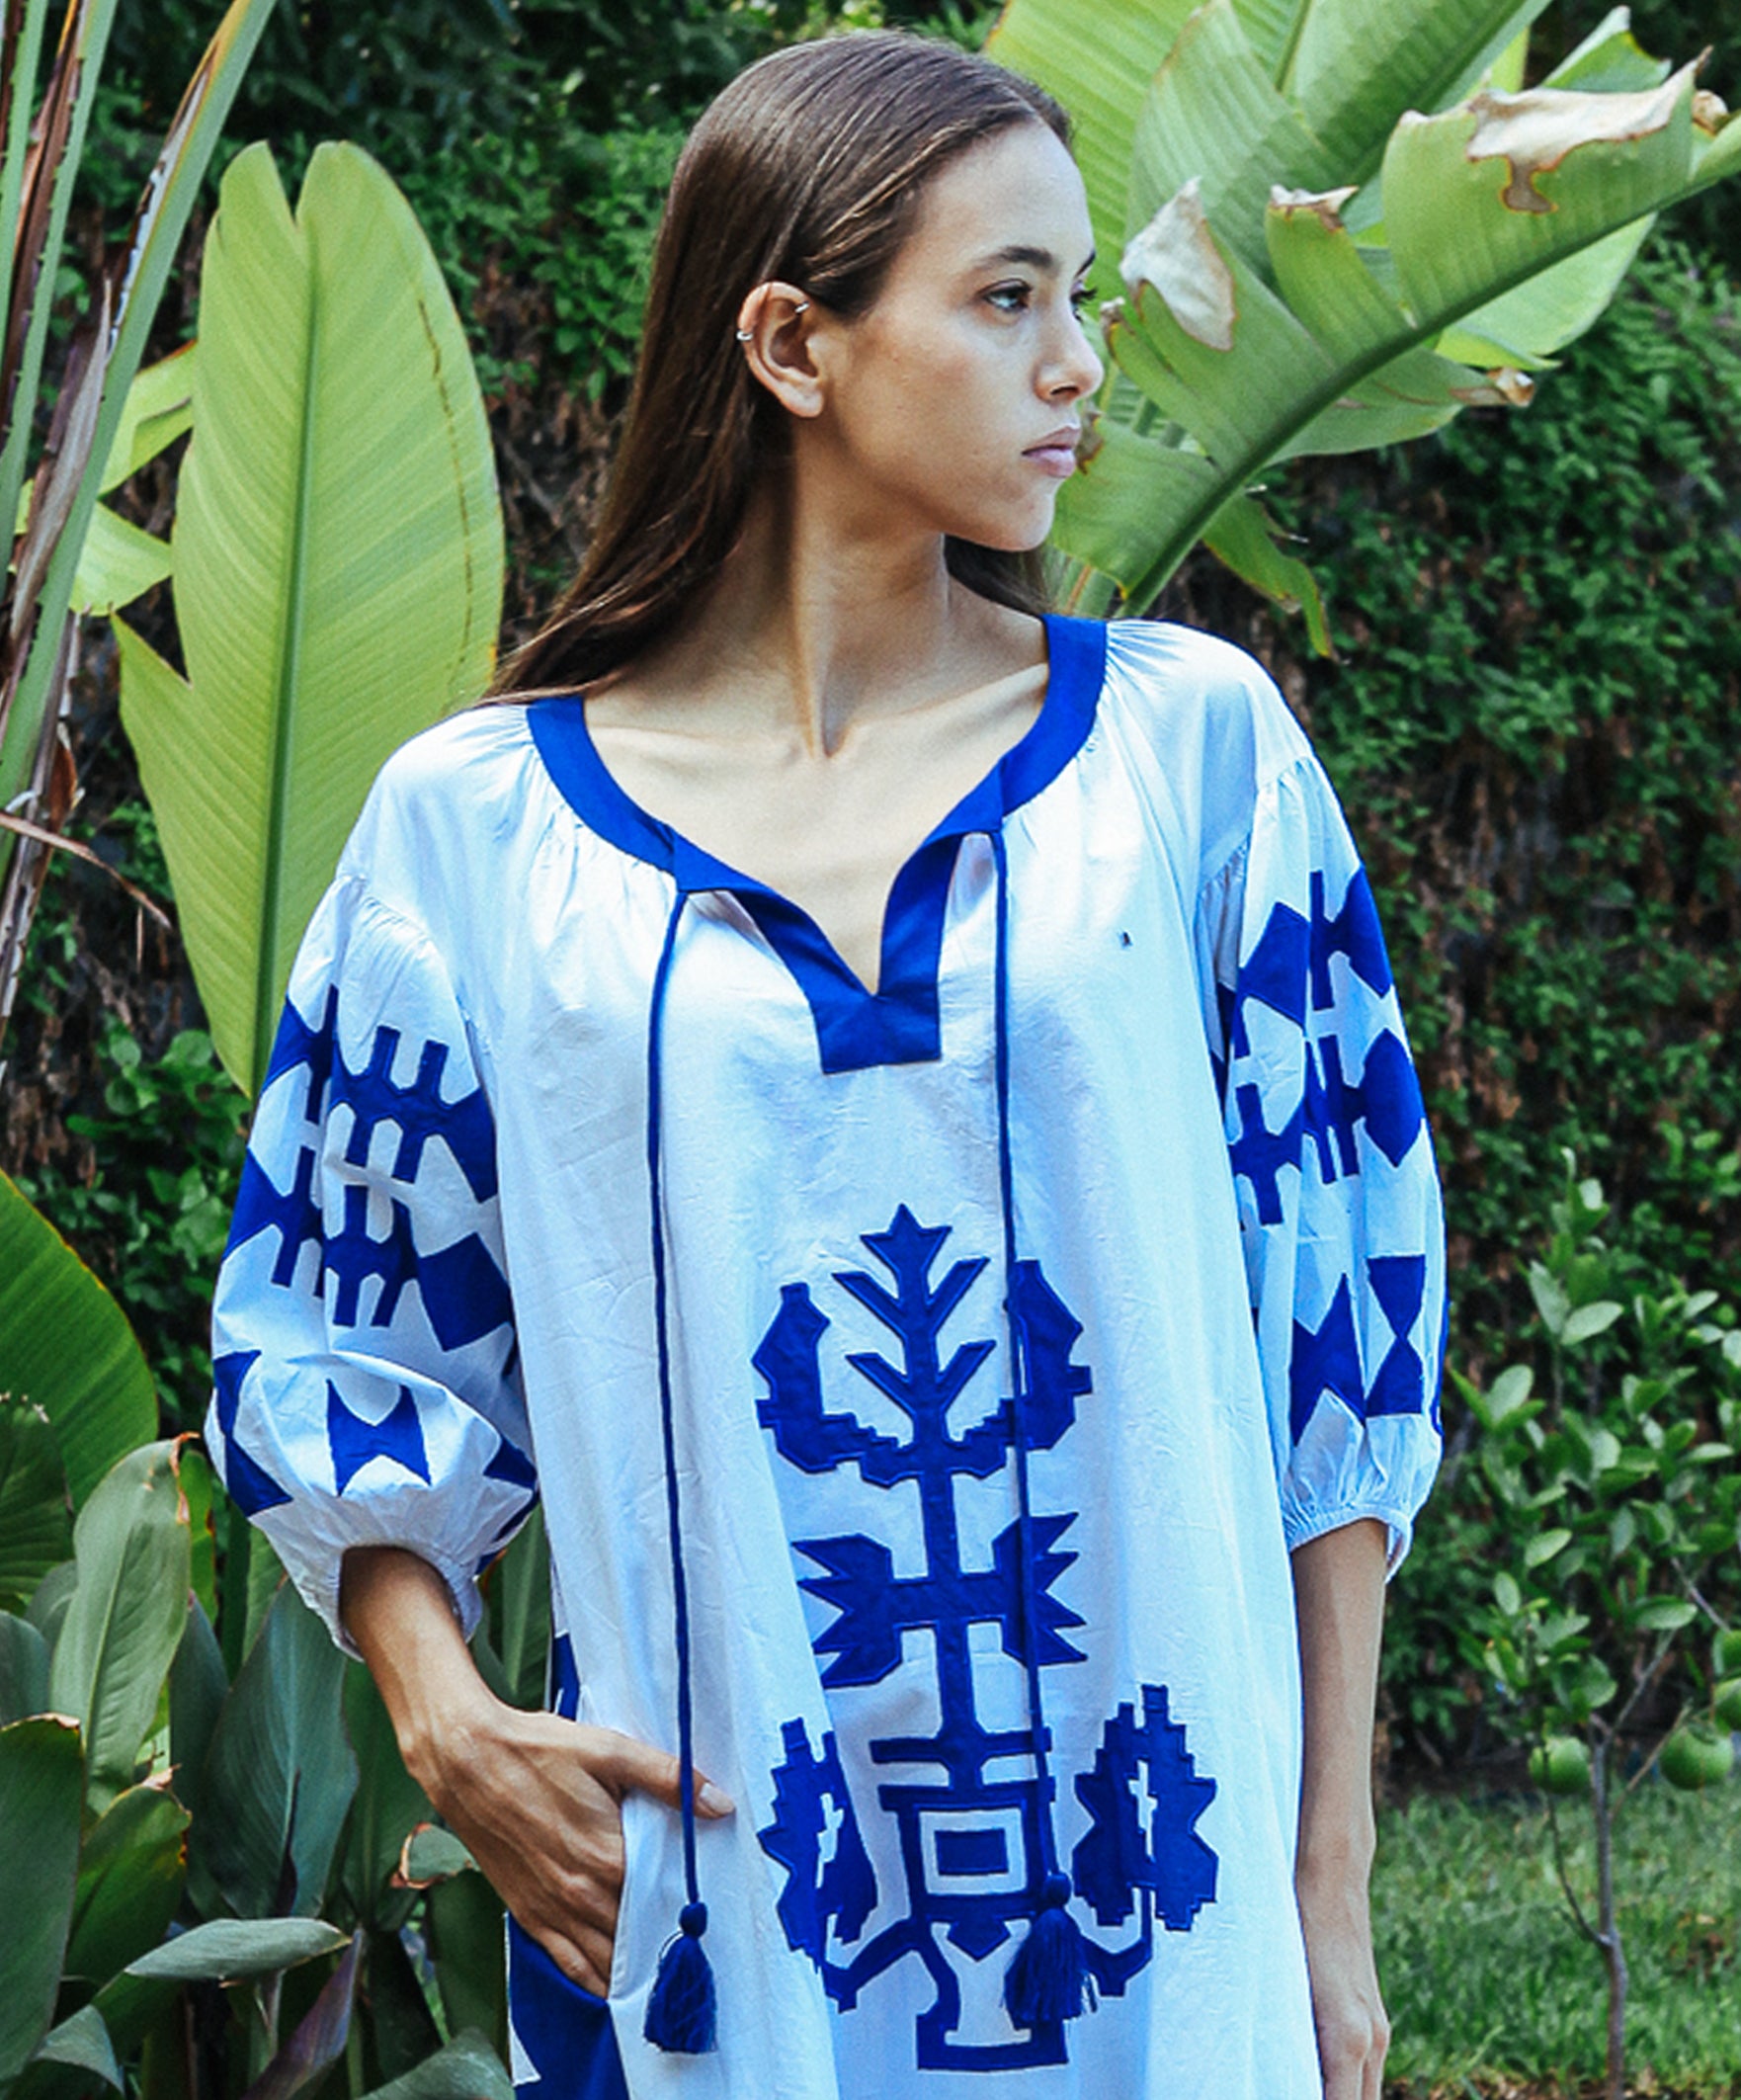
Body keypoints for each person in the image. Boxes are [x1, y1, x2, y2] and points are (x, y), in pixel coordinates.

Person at [207, 29, 1444, 2100]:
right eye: (1005, 296)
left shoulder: (1189, 754)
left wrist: (1327, 1889)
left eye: (1079, 302)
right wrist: (441, 1711)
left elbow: (1337, 1328)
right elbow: (343, 1319)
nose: (1077, 365)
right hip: (708, 1929)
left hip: (1165, 1920)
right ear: (790, 343)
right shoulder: (475, 832)